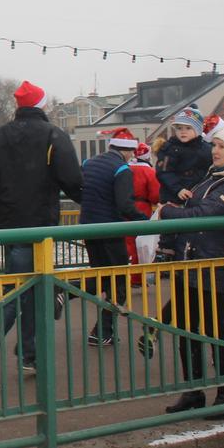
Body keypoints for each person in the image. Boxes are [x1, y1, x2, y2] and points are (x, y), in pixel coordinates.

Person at [0, 81, 82, 393]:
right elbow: (72, 178)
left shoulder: (1, 134)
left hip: (10, 221)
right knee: (17, 295)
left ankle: (30, 355)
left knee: (27, 290)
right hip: (40, 223)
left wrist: (7, 186)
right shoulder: (52, 135)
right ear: (41, 105)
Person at [158, 124, 224, 419]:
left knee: (218, 331)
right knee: (187, 331)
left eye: (222, 147)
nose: (214, 151)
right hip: (191, 260)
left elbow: (202, 214)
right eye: (214, 145)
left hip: (213, 264)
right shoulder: (214, 178)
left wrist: (168, 212)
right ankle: (193, 391)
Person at [78, 128, 147, 345]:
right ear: (128, 152)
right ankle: (103, 332)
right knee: (118, 281)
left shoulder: (89, 163)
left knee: (99, 275)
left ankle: (63, 292)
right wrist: (144, 219)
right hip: (109, 229)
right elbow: (125, 204)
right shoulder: (122, 169)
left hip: (87, 226)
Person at [154, 107, 212, 261]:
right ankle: (165, 252)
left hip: (197, 194)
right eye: (179, 128)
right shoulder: (170, 148)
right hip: (173, 194)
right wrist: (178, 188)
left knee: (192, 229)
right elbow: (163, 171)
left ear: (198, 130)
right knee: (170, 227)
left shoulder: (207, 149)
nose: (183, 132)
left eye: (188, 128)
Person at [126, 139, 162, 282]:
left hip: (124, 207)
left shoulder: (125, 169)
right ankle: (138, 277)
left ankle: (125, 275)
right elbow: (155, 195)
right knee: (142, 243)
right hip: (142, 208)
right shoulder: (149, 172)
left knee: (127, 242)